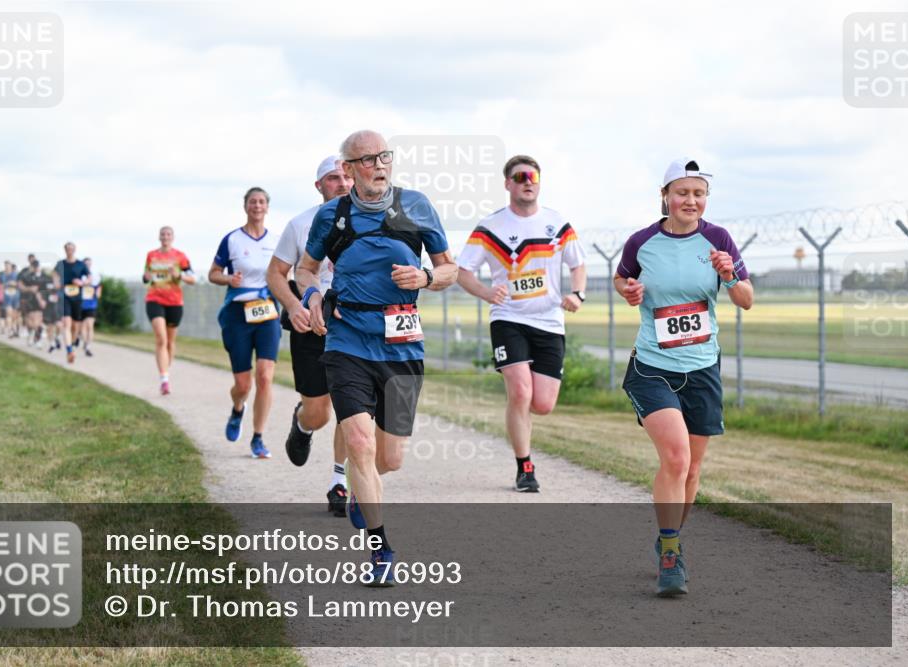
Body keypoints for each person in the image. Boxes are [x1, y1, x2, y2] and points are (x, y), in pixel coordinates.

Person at [296, 130, 457, 586]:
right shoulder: (332, 215)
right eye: (367, 159)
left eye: (384, 156)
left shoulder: (417, 206)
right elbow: (306, 268)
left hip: (402, 341)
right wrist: (312, 297)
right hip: (346, 339)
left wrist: (425, 276)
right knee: (361, 446)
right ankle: (381, 549)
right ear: (348, 169)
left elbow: (450, 268)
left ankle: (363, 493)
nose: (378, 165)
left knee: (390, 457)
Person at [615, 158, 753, 597]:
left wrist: (729, 274)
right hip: (653, 367)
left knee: (692, 471)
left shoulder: (718, 239)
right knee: (675, 459)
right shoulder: (642, 241)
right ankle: (672, 555)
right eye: (682, 192)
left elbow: (746, 300)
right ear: (665, 196)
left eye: (698, 193)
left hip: (702, 368)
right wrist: (629, 291)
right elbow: (622, 280)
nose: (690, 200)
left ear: (705, 199)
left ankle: (667, 538)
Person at [457, 155, 587, 493]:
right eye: (520, 177)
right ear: (508, 184)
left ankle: (523, 431)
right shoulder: (490, 228)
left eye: (533, 176)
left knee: (541, 404)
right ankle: (524, 467)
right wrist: (487, 293)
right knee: (520, 391)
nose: (528, 181)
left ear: (539, 183)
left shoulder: (557, 224)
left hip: (549, 321)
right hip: (508, 318)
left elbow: (579, 265)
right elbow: (462, 271)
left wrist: (579, 294)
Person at [267, 155, 353, 516]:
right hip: (310, 326)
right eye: (334, 178)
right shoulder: (300, 225)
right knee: (320, 413)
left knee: (353, 409)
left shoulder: (371, 222)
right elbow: (275, 274)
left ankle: (339, 481)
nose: (343, 184)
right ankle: (303, 423)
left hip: (352, 326)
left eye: (347, 176)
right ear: (319, 186)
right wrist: (293, 306)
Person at [209, 187, 281, 458]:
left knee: (264, 376)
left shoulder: (276, 240)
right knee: (243, 385)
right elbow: (213, 273)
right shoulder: (232, 240)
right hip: (238, 315)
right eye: (253, 201)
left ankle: (258, 438)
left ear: (267, 206)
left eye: (262, 201)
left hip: (267, 313)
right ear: (245, 206)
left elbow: (284, 273)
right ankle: (238, 409)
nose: (257, 206)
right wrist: (229, 279)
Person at [143, 227, 196, 394]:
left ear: (173, 237)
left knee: (171, 342)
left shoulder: (180, 256)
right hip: (154, 299)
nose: (165, 237)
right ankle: (164, 379)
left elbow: (192, 279)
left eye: (168, 234)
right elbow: (145, 276)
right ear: (159, 237)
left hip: (174, 302)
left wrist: (178, 275)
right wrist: (146, 277)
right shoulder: (151, 255)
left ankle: (166, 370)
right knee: (161, 339)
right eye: (163, 234)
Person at [54, 242, 90, 363]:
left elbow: (89, 277)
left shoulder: (81, 265)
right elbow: (54, 275)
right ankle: (69, 350)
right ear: (65, 250)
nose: (69, 251)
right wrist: (56, 283)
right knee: (66, 324)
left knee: (75, 327)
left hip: (77, 297)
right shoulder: (60, 264)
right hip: (65, 296)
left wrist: (82, 282)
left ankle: (72, 346)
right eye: (67, 249)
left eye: (71, 249)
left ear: (75, 250)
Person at [79, 257, 102, 357]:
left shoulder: (95, 277)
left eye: (89, 263)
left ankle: (88, 346)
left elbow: (99, 291)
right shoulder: (79, 276)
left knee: (90, 325)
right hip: (80, 304)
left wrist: (96, 292)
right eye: (86, 263)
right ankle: (84, 342)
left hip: (91, 305)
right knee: (82, 327)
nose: (88, 265)